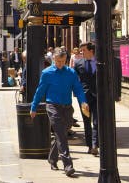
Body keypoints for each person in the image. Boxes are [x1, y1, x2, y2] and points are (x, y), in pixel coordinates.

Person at [30, 47, 89, 177]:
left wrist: (83, 101)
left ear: (66, 60)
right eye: (57, 61)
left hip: (67, 107)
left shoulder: (71, 72)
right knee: (61, 135)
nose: (60, 64)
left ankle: (52, 158)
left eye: (62, 61)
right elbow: (40, 91)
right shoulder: (47, 73)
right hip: (52, 106)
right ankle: (68, 165)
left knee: (62, 133)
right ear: (53, 59)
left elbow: (78, 89)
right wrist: (33, 107)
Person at [74, 42, 100, 156]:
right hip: (84, 98)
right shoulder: (78, 63)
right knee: (86, 122)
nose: (81, 53)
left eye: (83, 50)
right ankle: (89, 146)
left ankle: (95, 145)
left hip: (98, 96)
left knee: (97, 122)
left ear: (91, 51)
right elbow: (74, 80)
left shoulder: (99, 62)